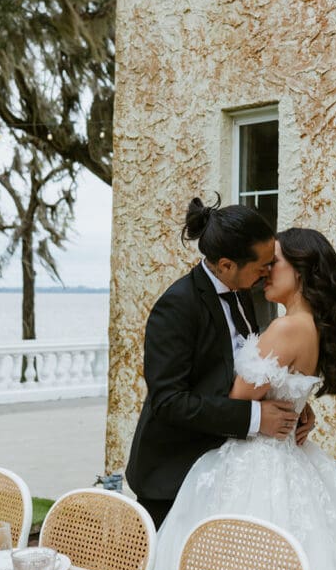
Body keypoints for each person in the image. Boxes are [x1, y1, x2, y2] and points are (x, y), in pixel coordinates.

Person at [154, 226, 336, 570]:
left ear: (301, 271)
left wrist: (269, 407)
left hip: (256, 461)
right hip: (286, 454)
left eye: (276, 263)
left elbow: (238, 396)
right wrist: (297, 409)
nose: (267, 271)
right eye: (265, 264)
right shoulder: (308, 325)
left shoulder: (286, 328)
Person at [126, 197, 315, 530]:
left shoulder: (242, 291)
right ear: (227, 265)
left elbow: (246, 369)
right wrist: (257, 417)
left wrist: (288, 403)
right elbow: (169, 401)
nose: (268, 272)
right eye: (262, 265)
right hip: (173, 474)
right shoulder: (176, 307)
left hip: (224, 468)